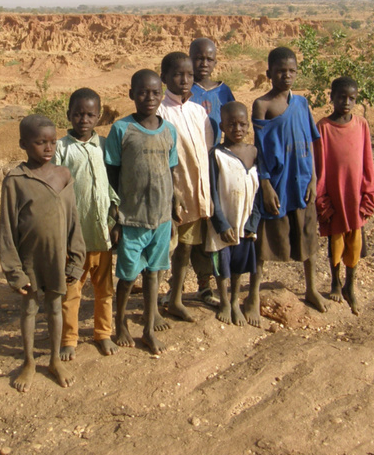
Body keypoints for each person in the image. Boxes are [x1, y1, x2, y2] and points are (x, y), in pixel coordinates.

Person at [0, 114, 86, 392]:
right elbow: (7, 230)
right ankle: (28, 362)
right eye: (39, 143)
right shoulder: (16, 180)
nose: (48, 148)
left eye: (52, 142)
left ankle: (53, 360)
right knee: (30, 310)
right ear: (23, 144)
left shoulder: (63, 175)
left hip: (59, 258)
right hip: (30, 261)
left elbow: (74, 219)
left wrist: (77, 258)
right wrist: (15, 272)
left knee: (55, 308)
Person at [104, 69, 178, 354]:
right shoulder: (122, 130)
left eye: (156, 92)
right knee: (127, 276)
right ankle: (120, 322)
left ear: (162, 95)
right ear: (131, 94)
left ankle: (148, 328)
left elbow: (171, 173)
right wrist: (115, 217)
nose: (150, 98)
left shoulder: (169, 131)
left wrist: (171, 214)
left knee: (153, 274)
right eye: (143, 92)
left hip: (160, 218)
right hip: (131, 218)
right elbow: (112, 173)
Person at [250, 47, 327, 320]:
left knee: (308, 237)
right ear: (269, 73)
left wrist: (314, 178)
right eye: (280, 70)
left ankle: (312, 288)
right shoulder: (262, 105)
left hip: (302, 181)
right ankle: (253, 295)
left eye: (291, 70)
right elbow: (259, 150)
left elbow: (311, 142)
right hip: (277, 184)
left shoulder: (302, 103)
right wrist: (266, 185)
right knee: (264, 243)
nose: (286, 75)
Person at [55, 88, 121, 358]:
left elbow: (111, 185)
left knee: (104, 290)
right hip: (75, 236)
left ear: (99, 116)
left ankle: (103, 333)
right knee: (72, 290)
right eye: (78, 114)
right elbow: (55, 188)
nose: (84, 119)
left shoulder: (104, 145)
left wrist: (115, 215)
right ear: (69, 114)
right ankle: (69, 339)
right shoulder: (61, 147)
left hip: (102, 233)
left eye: (90, 114)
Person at [157, 52, 214, 321]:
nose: (185, 80)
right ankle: (153, 301)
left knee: (185, 248)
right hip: (168, 194)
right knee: (161, 251)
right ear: (164, 77)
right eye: (178, 74)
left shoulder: (198, 111)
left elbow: (206, 151)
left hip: (194, 193)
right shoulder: (159, 111)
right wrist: (169, 190)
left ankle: (176, 298)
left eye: (189, 75)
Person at [315, 76, 374, 315]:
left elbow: (367, 162)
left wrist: (369, 195)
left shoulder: (361, 125)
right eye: (342, 97)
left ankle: (351, 284)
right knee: (336, 240)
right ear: (331, 97)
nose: (347, 102)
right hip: (334, 194)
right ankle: (335, 283)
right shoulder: (323, 127)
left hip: (355, 195)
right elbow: (320, 167)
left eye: (352, 98)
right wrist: (322, 200)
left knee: (356, 241)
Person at [205, 101, 261, 326]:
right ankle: (225, 301)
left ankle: (236, 299)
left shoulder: (254, 152)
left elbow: (258, 190)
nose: (237, 129)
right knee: (223, 263)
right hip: (224, 222)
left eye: (242, 124)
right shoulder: (216, 154)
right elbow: (212, 191)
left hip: (245, 220)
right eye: (232, 124)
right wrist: (221, 222)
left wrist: (253, 222)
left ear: (248, 126)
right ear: (222, 126)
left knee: (239, 264)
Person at [189, 37, 236, 148]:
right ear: (189, 60)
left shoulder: (223, 91)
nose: (204, 64)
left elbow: (233, 122)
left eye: (209, 60)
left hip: (216, 152)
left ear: (215, 62)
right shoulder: (184, 90)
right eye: (199, 58)